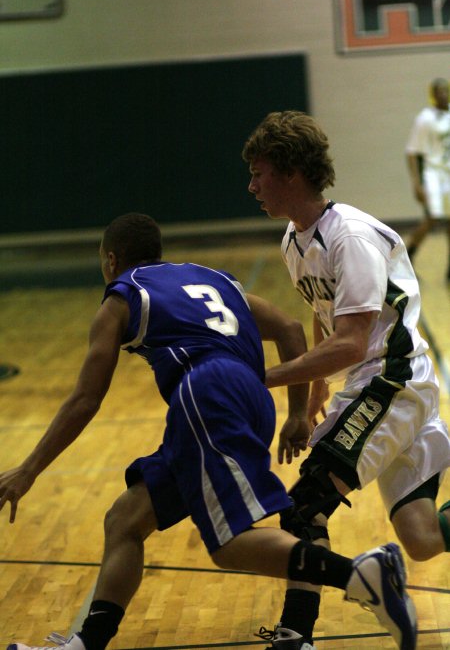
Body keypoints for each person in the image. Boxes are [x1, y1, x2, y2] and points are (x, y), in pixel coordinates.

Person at [0, 213, 417, 650]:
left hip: (206, 393)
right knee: (125, 519)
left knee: (229, 544)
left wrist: (28, 470)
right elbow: (291, 330)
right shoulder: (214, 279)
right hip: (250, 397)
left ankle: (359, 575)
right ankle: (86, 643)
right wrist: (295, 414)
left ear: (110, 260)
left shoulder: (121, 298)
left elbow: (86, 399)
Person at [242, 111, 450, 650]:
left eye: (259, 173)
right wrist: (309, 400)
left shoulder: (350, 236)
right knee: (422, 538)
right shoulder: (295, 239)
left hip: (392, 381)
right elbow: (324, 312)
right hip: (388, 382)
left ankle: (295, 635)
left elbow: (352, 342)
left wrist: (260, 378)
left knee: (305, 504)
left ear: (290, 172)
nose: (252, 186)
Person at [405, 77, 450, 280]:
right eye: (439, 91)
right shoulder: (425, 118)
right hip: (432, 174)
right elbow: (412, 152)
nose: (443, 94)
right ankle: (408, 255)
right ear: (433, 94)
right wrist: (417, 183)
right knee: (432, 218)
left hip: (448, 174)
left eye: (446, 90)